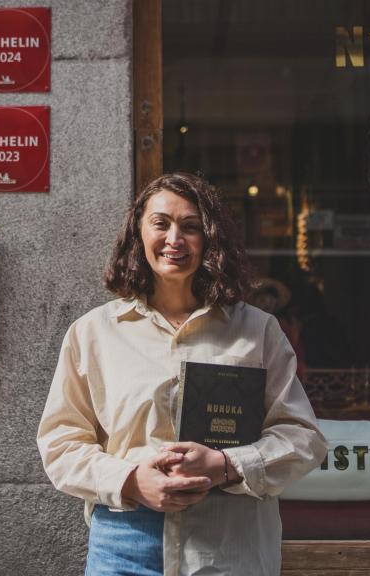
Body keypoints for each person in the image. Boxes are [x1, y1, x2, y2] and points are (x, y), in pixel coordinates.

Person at [37, 172, 327, 576]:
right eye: (161, 223)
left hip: (228, 547)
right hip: (124, 546)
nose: (175, 238)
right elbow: (61, 444)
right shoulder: (93, 333)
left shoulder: (257, 331)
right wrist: (132, 480)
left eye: (191, 227)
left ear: (210, 239)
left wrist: (225, 465)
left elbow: (303, 438)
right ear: (137, 233)